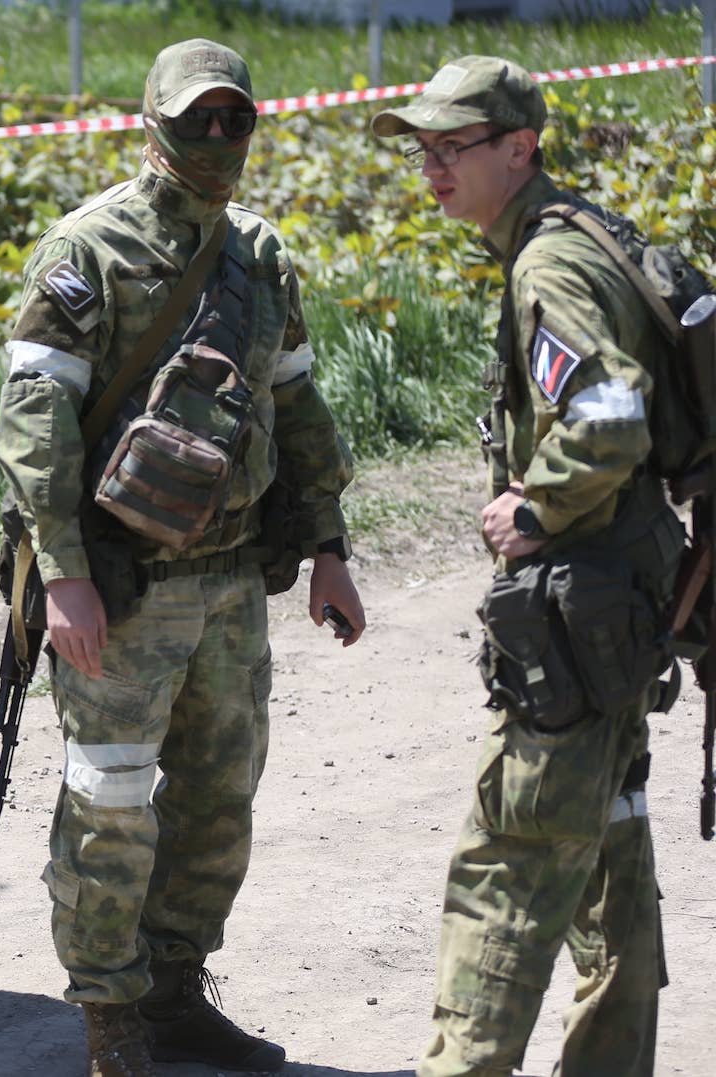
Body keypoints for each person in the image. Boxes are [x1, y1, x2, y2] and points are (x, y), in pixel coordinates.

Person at [0, 39, 364, 1077]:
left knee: (216, 803)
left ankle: (171, 989)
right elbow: (34, 427)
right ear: (147, 123)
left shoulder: (260, 255)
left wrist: (328, 546)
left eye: (233, 119)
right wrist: (63, 575)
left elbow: (298, 404)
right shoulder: (86, 253)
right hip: (121, 590)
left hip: (233, 581)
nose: (215, 138)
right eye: (195, 118)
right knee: (111, 808)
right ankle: (111, 1022)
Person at [371, 56, 681, 1077]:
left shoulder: (549, 265)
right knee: (612, 845)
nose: (431, 167)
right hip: (625, 603)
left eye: (452, 147)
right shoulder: (579, 233)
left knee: (508, 864)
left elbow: (610, 415)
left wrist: (534, 505)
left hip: (578, 614)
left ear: (519, 147)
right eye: (423, 148)